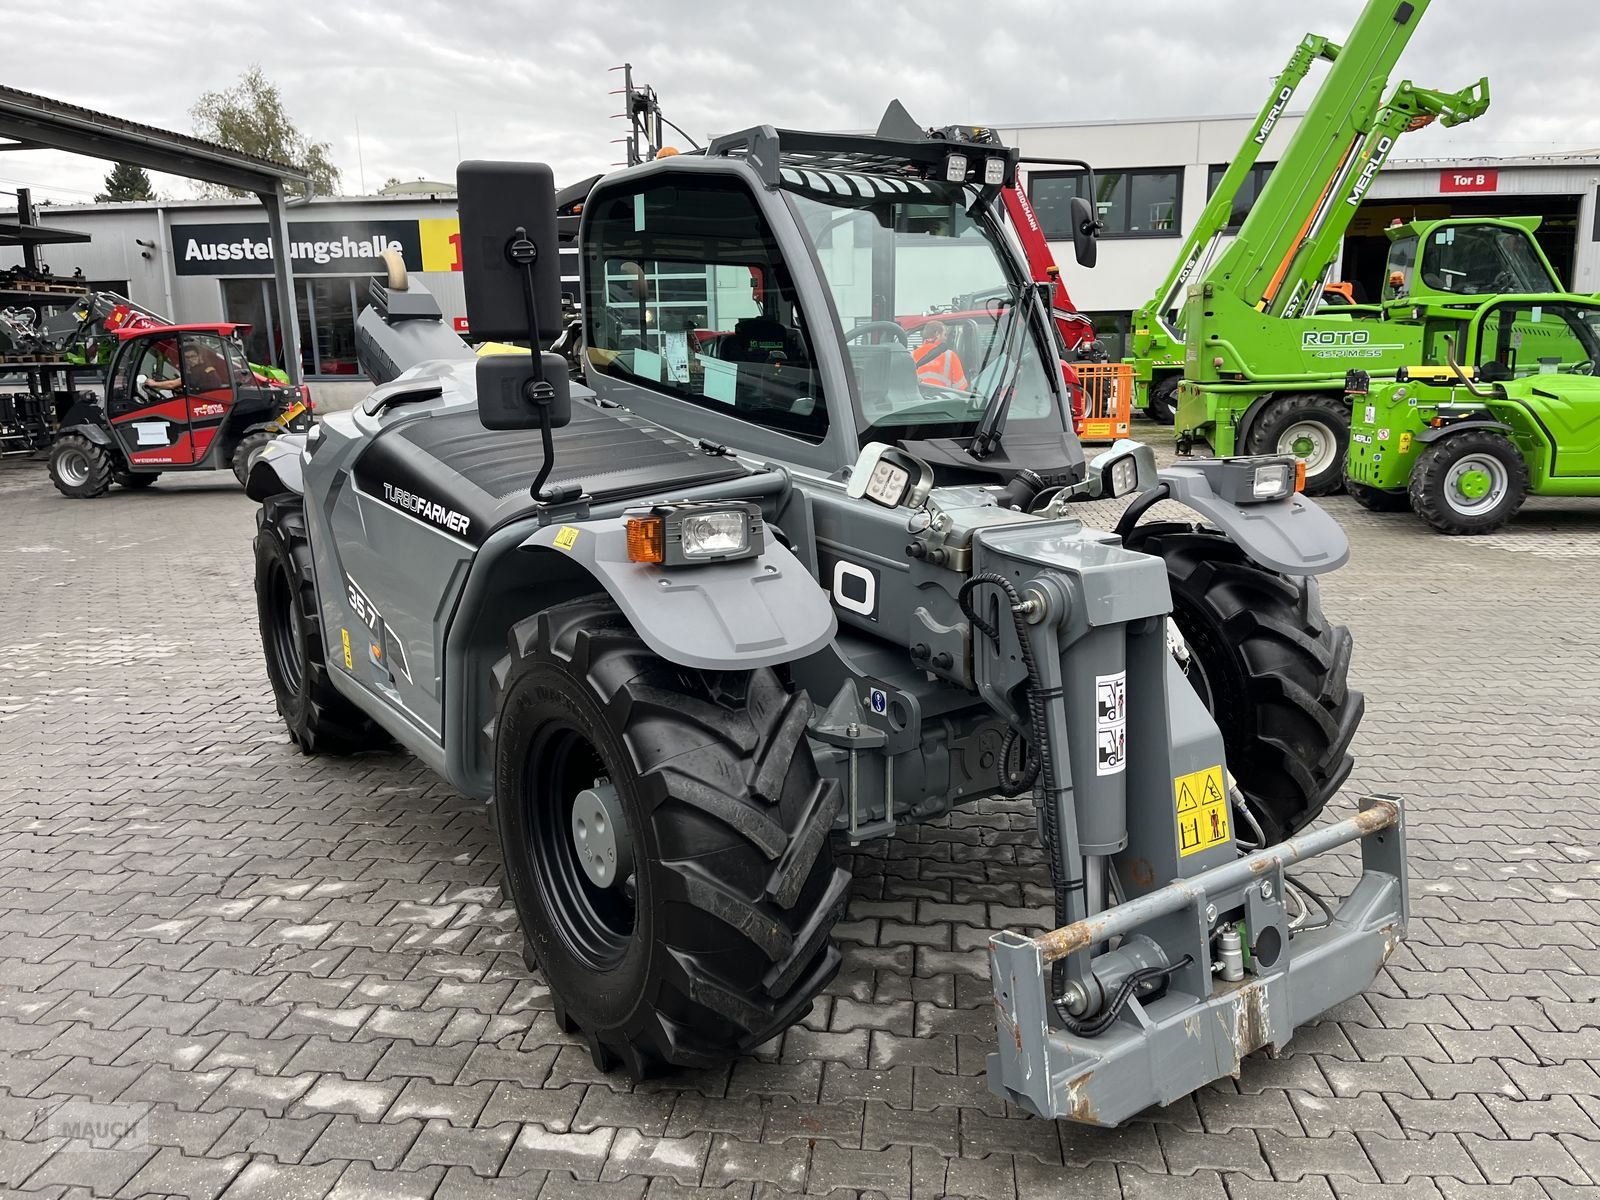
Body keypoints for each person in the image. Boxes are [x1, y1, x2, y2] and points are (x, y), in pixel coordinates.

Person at [145, 339, 228, 395]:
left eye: (193, 356)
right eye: (187, 357)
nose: (191, 359)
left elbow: (172, 384)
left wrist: (153, 384)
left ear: (199, 357)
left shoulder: (197, 371)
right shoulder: (203, 368)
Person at [912, 320, 968, 390]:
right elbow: (961, 387)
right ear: (937, 334)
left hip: (920, 399)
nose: (945, 338)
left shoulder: (911, 355)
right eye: (944, 335)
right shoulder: (950, 355)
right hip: (942, 399)